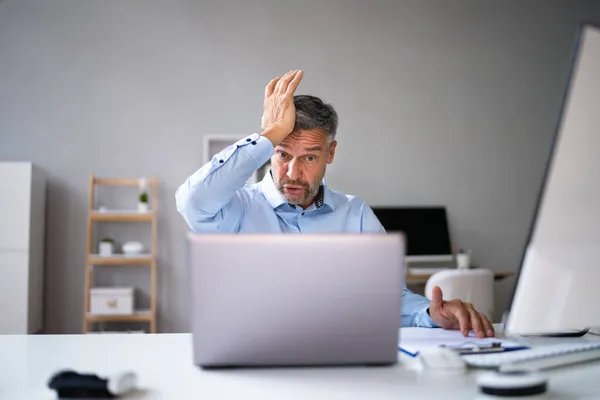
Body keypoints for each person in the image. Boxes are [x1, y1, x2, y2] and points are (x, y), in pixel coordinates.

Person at [176, 69, 495, 338]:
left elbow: (388, 300)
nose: (293, 173)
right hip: (251, 362)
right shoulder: (236, 210)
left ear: (330, 153)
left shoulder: (355, 216)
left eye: (309, 158)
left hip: (337, 365)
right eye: (282, 154)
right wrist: (270, 134)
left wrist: (431, 313)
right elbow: (192, 202)